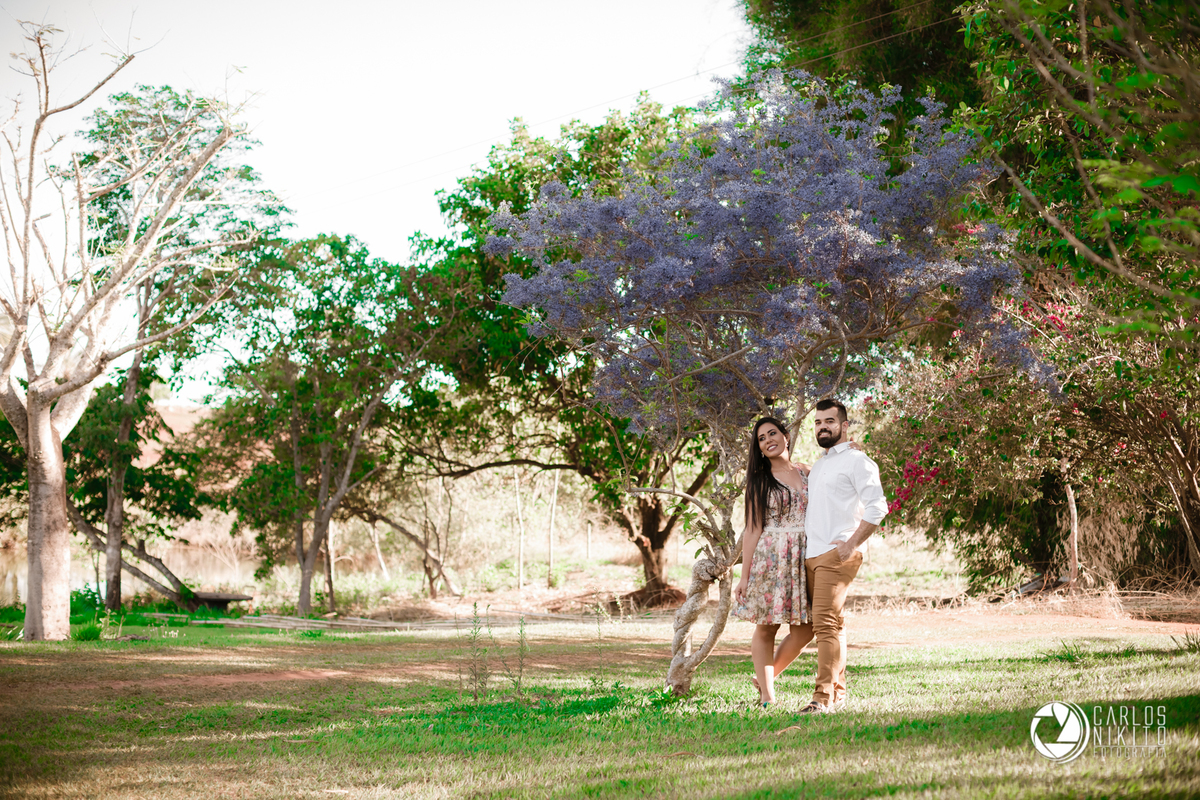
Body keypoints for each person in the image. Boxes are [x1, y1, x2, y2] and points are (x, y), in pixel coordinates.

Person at [797, 398, 888, 713]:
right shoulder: (821, 464)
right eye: (818, 422)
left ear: (845, 425)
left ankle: (821, 699)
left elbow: (878, 507)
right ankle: (838, 693)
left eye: (829, 422)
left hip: (837, 556)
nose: (823, 427)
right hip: (813, 554)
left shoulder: (857, 461)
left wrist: (851, 544)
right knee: (833, 625)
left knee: (824, 624)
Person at [732, 417, 809, 708]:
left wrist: (847, 449)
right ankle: (767, 695)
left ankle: (768, 675)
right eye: (761, 439)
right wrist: (744, 576)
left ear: (786, 436)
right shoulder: (759, 480)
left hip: (803, 555)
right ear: (760, 448)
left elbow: (839, 476)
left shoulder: (806, 472)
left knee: (807, 627)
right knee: (767, 627)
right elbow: (751, 529)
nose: (767, 440)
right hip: (770, 556)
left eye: (772, 433)